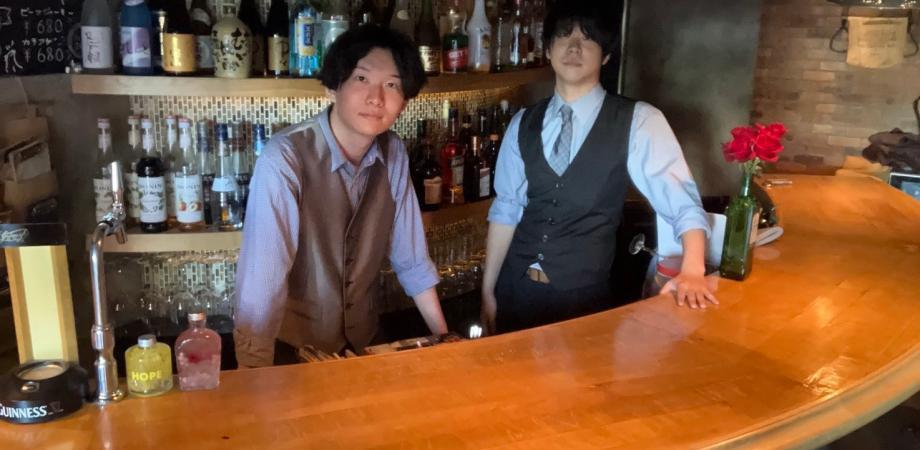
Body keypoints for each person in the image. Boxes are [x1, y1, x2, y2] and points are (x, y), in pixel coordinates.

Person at [480, 1, 718, 335]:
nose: (574, 47)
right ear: (547, 49)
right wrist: (488, 291)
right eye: (564, 36)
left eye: (588, 38)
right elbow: (506, 209)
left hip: (582, 301)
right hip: (515, 291)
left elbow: (682, 203)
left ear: (606, 56)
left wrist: (693, 269)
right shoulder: (523, 122)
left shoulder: (639, 120)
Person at [234, 25, 448, 367]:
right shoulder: (285, 158)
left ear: (404, 101)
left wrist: (446, 338)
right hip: (294, 354)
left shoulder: (393, 152)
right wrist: (253, 373)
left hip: (365, 347)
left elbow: (412, 260)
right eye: (362, 79)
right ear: (333, 86)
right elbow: (263, 283)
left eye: (392, 85)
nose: (376, 98)